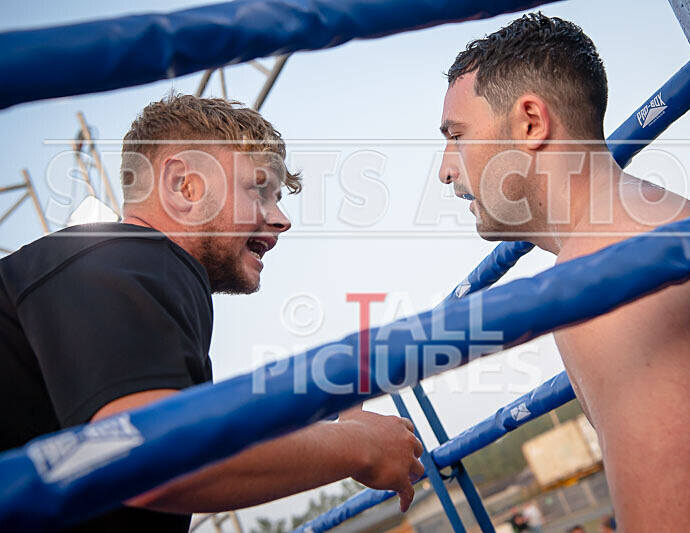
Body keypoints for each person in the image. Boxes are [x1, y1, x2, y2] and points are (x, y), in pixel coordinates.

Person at [437, 12, 690, 532]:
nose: (446, 169)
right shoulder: (642, 222)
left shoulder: (606, 267)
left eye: (456, 136)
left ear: (531, 123)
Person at [0, 94, 424, 532]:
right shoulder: (132, 258)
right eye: (259, 189)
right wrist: (357, 444)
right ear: (184, 185)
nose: (282, 219)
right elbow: (149, 458)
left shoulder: (116, 271)